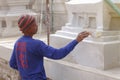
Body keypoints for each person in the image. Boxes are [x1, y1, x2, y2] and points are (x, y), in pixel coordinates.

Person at [9, 14, 90, 80]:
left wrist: (25, 72)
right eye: (35, 24)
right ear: (29, 28)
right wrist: (76, 40)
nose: (37, 26)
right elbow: (58, 54)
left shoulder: (18, 43)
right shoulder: (37, 44)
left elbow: (12, 64)